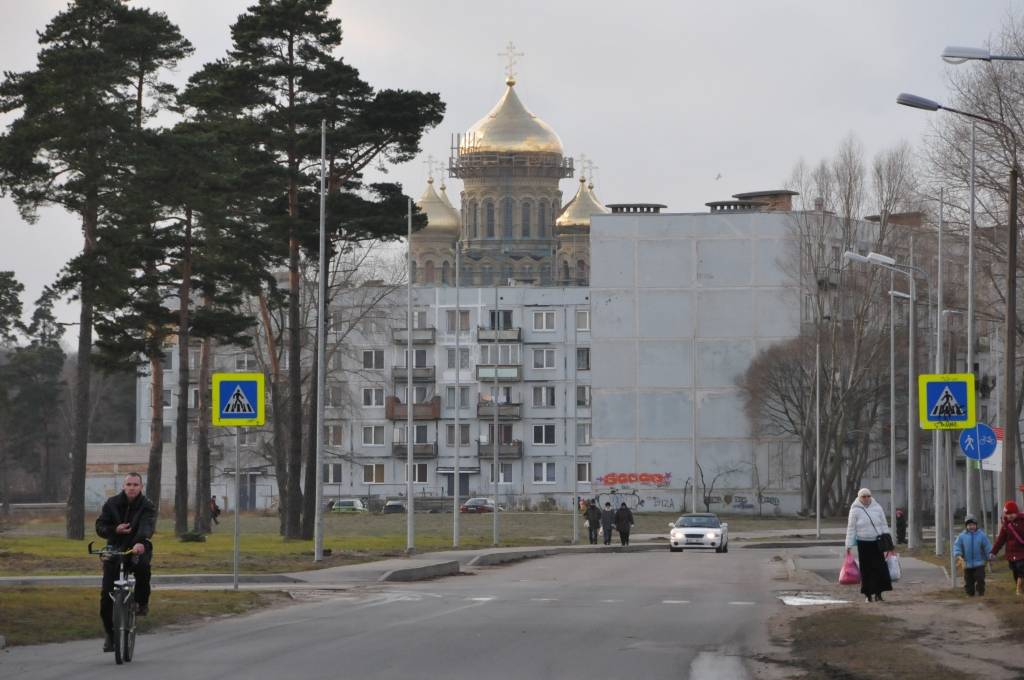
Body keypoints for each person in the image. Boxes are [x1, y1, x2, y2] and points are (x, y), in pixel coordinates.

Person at [95, 472, 156, 653]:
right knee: (106, 596)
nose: (132, 488)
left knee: (143, 568)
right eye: (129, 484)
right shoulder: (111, 503)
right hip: (115, 549)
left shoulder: (147, 505)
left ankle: (141, 603)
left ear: (141, 487)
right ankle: (110, 636)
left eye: (135, 485)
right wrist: (115, 529)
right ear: (123, 486)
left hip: (138, 547)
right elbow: (100, 527)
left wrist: (139, 541)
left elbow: (147, 525)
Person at [844, 488, 892, 603]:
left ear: (871, 496)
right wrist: (848, 544)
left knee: (880, 569)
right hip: (863, 543)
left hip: (877, 542)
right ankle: (868, 594)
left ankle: (879, 594)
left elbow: (884, 524)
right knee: (866, 570)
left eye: (868, 496)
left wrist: (888, 544)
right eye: (863, 496)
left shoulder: (877, 507)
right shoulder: (855, 509)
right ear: (859, 498)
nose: (866, 498)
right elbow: (851, 528)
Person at [990, 500, 1024, 596]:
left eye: (1012, 513)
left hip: (1022, 552)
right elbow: (1000, 540)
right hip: (1011, 553)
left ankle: (1019, 588)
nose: (1010, 516)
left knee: (1021, 568)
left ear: (1016, 512)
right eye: (1008, 514)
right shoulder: (1006, 526)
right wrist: (993, 552)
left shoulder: (1022, 521)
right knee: (1015, 571)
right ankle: (1019, 586)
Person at [953, 515, 992, 597]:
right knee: (968, 582)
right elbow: (957, 546)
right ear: (966, 526)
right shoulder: (962, 536)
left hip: (979, 563)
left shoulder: (981, 535)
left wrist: (990, 555)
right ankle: (970, 594)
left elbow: (987, 546)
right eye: (969, 525)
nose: (971, 527)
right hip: (967, 564)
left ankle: (980, 593)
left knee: (980, 579)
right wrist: (958, 554)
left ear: (976, 525)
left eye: (973, 525)